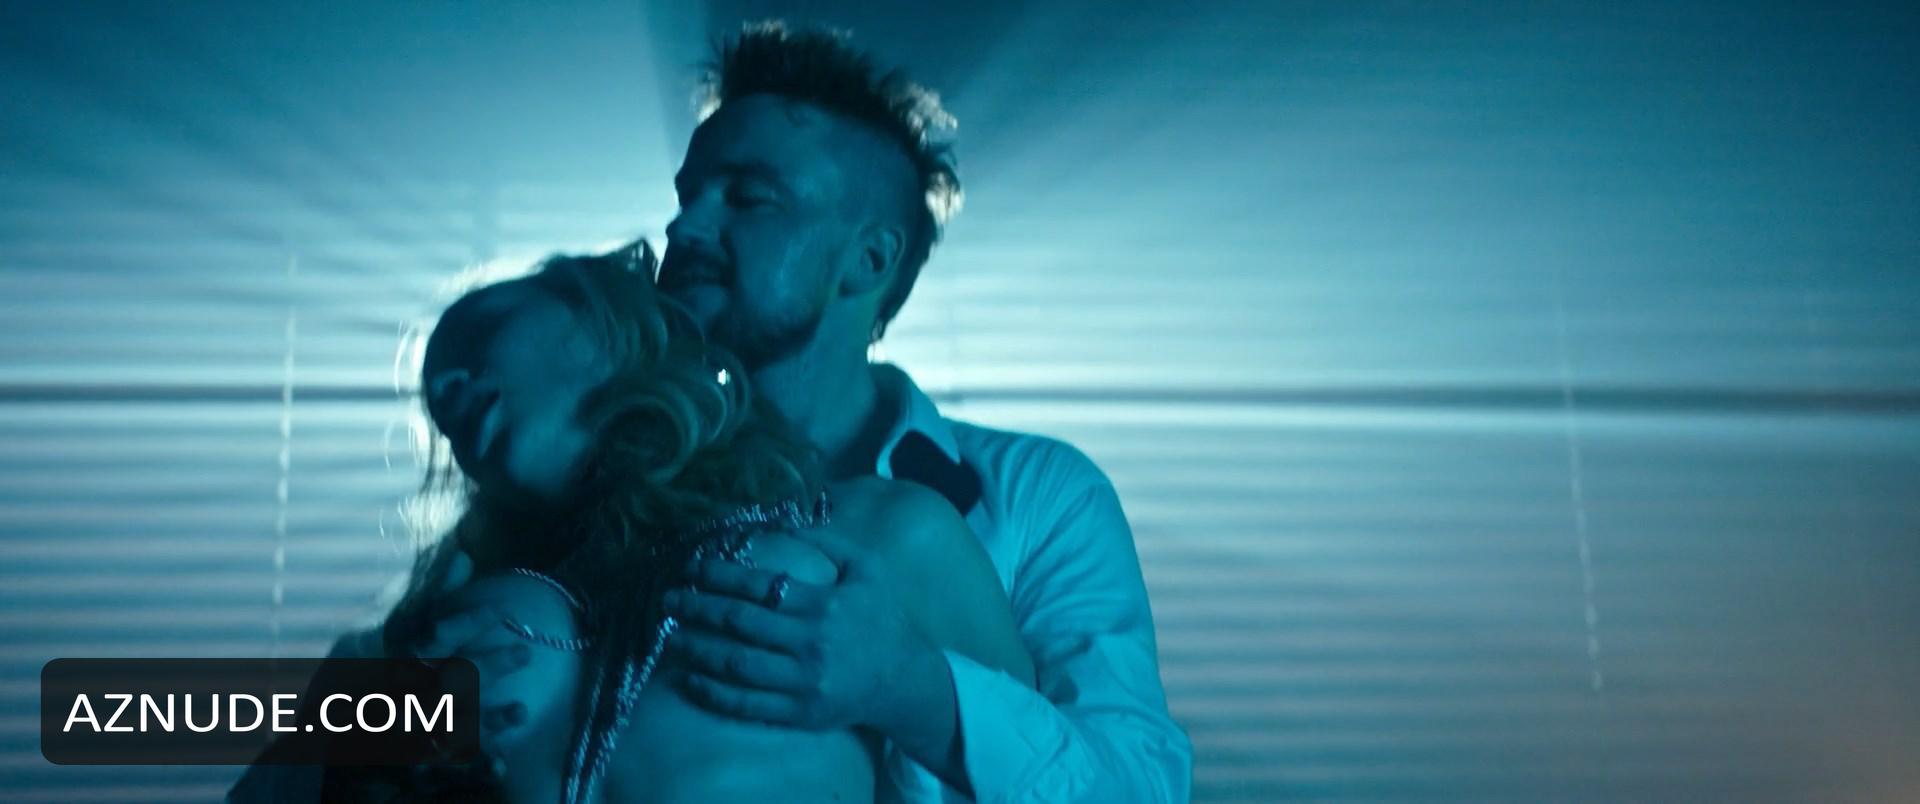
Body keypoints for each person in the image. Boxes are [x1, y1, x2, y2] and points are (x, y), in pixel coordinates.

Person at [637, 21, 1192, 803]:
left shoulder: (1042, 498)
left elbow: (1139, 789)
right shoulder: (597, 475)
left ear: (870, 258)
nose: (684, 227)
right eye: (687, 196)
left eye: (748, 198)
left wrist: (915, 692)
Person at [350, 246, 1033, 803]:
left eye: (478, 335)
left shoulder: (881, 532)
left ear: (607, 317)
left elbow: (1049, 784)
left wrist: (905, 688)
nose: (447, 392)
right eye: (436, 400)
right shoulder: (439, 626)